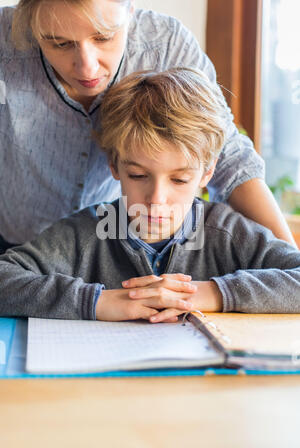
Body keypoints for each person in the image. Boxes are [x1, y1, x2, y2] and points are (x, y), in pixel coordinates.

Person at [0, 67, 299, 323]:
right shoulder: (86, 234)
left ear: (207, 174)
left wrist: (212, 293)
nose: (156, 199)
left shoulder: (227, 234)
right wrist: (96, 302)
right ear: (114, 166)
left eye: (180, 179)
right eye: (138, 176)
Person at [0, 0, 296, 255]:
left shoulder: (164, 44)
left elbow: (230, 158)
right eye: (60, 43)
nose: (87, 68)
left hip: (112, 250)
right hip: (14, 245)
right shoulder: (6, 42)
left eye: (103, 37)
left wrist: (289, 263)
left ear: (129, 11)